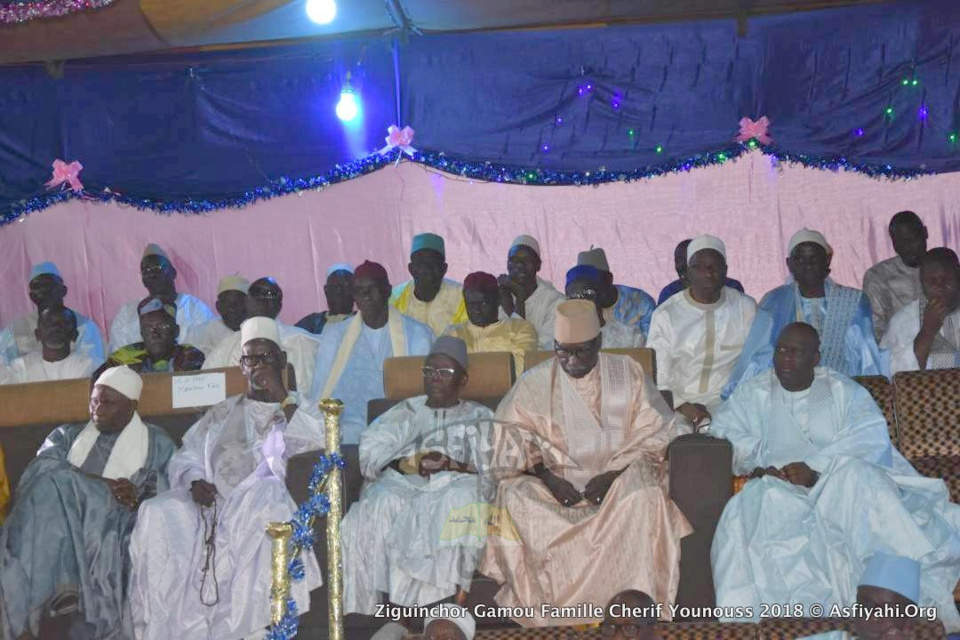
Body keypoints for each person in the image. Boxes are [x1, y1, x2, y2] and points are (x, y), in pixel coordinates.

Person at [710, 323, 960, 632]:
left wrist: (816, 471)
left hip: (837, 484)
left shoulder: (843, 390)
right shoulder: (754, 391)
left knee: (856, 476)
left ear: (816, 358)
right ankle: (772, 625)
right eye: (781, 350)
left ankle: (891, 606)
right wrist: (761, 467)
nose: (785, 359)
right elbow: (724, 434)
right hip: (779, 487)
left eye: (795, 352)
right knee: (753, 505)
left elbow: (867, 440)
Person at [479, 300, 692, 627]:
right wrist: (546, 476)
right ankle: (557, 616)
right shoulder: (535, 382)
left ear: (599, 342)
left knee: (646, 495)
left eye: (582, 351)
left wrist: (612, 475)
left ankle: (632, 612)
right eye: (564, 351)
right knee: (517, 496)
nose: (573, 360)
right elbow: (507, 439)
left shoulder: (626, 372)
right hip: (553, 484)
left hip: (618, 477)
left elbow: (655, 429)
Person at [129, 317, 326, 640]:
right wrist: (195, 481)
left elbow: (318, 442)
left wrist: (281, 397)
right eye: (251, 358)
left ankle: (254, 626)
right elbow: (188, 455)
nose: (258, 365)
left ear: (282, 360)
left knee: (265, 500)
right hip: (211, 503)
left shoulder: (303, 407)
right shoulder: (221, 411)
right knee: (156, 511)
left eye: (266, 357)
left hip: (260, 499)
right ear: (242, 366)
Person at [0, 366, 175, 640]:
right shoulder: (67, 435)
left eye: (108, 403)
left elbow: (168, 487)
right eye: (94, 401)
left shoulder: (155, 441)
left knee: (57, 482)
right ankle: (62, 590)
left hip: (112, 518)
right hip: (57, 514)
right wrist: (101, 483)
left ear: (132, 406)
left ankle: (57, 593)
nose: (97, 409)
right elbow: (38, 471)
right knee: (54, 482)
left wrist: (135, 491)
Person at [342, 337, 495, 618]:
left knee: (462, 498)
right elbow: (371, 452)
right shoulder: (405, 411)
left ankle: (449, 607)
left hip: (454, 485)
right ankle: (388, 613)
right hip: (404, 484)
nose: (435, 378)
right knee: (381, 501)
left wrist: (450, 464)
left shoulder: (481, 416)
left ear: (462, 379)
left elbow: (494, 466)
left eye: (445, 372)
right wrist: (408, 462)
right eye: (430, 371)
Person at [725, 229, 883, 398]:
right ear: (789, 264)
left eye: (814, 258)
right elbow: (758, 356)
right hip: (784, 391)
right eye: (800, 259)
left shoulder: (853, 300)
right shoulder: (775, 301)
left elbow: (866, 355)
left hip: (841, 391)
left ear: (827, 260)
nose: (808, 264)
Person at [311, 261, 435, 444]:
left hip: (399, 431)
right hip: (346, 432)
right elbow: (320, 391)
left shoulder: (418, 334)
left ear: (388, 291)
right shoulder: (335, 335)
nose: (366, 295)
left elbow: (425, 395)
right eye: (359, 290)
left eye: (372, 288)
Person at [646, 235, 757, 432]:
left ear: (726, 270)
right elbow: (659, 376)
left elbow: (755, 365)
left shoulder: (744, 308)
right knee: (672, 440)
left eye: (715, 266)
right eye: (699, 267)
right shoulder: (666, 314)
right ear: (688, 273)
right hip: (677, 404)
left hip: (730, 403)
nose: (708, 273)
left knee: (736, 439)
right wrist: (687, 408)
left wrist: (731, 404)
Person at [204, 276, 320, 393]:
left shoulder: (302, 341)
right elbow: (205, 387)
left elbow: (315, 395)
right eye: (256, 294)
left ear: (279, 306)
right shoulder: (228, 345)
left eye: (270, 295)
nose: (262, 300)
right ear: (247, 303)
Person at [108, 244, 214, 353]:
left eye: (157, 267)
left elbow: (208, 352)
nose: (151, 274)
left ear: (173, 272)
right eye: (145, 270)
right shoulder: (127, 313)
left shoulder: (196, 309)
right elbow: (118, 354)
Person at [0, 261, 105, 366]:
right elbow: (3, 365)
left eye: (48, 286)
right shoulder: (15, 328)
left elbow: (92, 366)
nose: (43, 291)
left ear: (63, 291)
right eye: (37, 287)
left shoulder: (84, 326)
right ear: (32, 296)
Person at [881, 248, 960, 374]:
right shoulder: (904, 322)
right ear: (922, 284)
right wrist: (927, 332)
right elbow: (890, 375)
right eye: (930, 282)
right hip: (927, 387)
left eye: (944, 279)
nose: (938, 287)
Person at [443, 271, 538, 373]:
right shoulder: (453, 333)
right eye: (471, 305)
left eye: (483, 304)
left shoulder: (520, 329)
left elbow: (518, 370)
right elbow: (444, 371)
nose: (477, 311)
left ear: (498, 300)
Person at [95, 298, 205, 378]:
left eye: (162, 326)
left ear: (176, 331)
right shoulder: (124, 356)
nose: (155, 334)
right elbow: (97, 384)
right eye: (147, 328)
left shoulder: (190, 355)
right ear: (141, 334)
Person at [863, 211, 928, 340]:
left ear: (925, 233)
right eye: (900, 243)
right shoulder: (878, 276)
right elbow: (875, 329)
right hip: (897, 348)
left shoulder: (946, 271)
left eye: (912, 240)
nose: (907, 248)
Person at [390, 233, 467, 336]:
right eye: (422, 264)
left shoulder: (462, 296)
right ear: (411, 269)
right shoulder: (394, 298)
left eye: (434, 263)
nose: (428, 269)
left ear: (444, 268)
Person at [498, 235, 565, 350]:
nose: (519, 265)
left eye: (526, 260)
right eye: (513, 260)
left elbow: (542, 351)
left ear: (538, 265)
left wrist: (515, 306)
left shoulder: (557, 303)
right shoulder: (499, 297)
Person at [1, 307, 97, 384]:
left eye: (63, 323)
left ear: (74, 335)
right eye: (48, 323)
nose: (55, 327)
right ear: (38, 334)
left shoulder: (87, 366)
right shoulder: (21, 367)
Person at [577, 247, 657, 336]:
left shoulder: (641, 303)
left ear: (609, 279)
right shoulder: (578, 308)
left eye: (594, 283)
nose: (589, 291)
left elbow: (652, 341)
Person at [565, 264, 645, 348]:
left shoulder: (631, 338)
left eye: (588, 294)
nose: (582, 302)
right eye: (573, 296)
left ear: (602, 294)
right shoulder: (562, 341)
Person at [657, 239, 744, 305]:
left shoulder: (733, 287)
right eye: (678, 260)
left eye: (685, 260)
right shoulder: (669, 293)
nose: (680, 265)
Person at [191, 276, 249, 356]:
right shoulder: (204, 331)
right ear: (218, 307)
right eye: (226, 303)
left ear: (248, 305)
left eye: (237, 303)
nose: (231, 308)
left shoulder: (257, 328)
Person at [297, 263, 355, 334]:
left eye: (345, 287)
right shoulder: (311, 322)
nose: (339, 292)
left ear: (355, 292)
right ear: (326, 290)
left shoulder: (362, 322)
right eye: (335, 287)